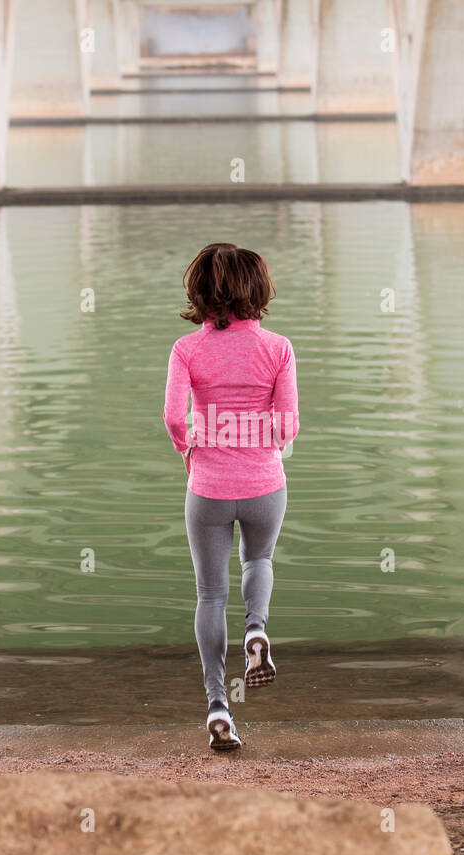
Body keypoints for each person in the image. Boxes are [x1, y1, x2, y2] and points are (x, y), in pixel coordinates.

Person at [163, 242, 299, 750]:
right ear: (258, 291)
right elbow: (288, 425)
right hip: (266, 485)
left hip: (209, 489)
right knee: (259, 559)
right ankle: (257, 631)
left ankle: (219, 704)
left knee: (210, 595)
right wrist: (267, 445)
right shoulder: (278, 348)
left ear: (199, 293)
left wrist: (189, 450)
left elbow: (175, 417)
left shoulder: (187, 350)